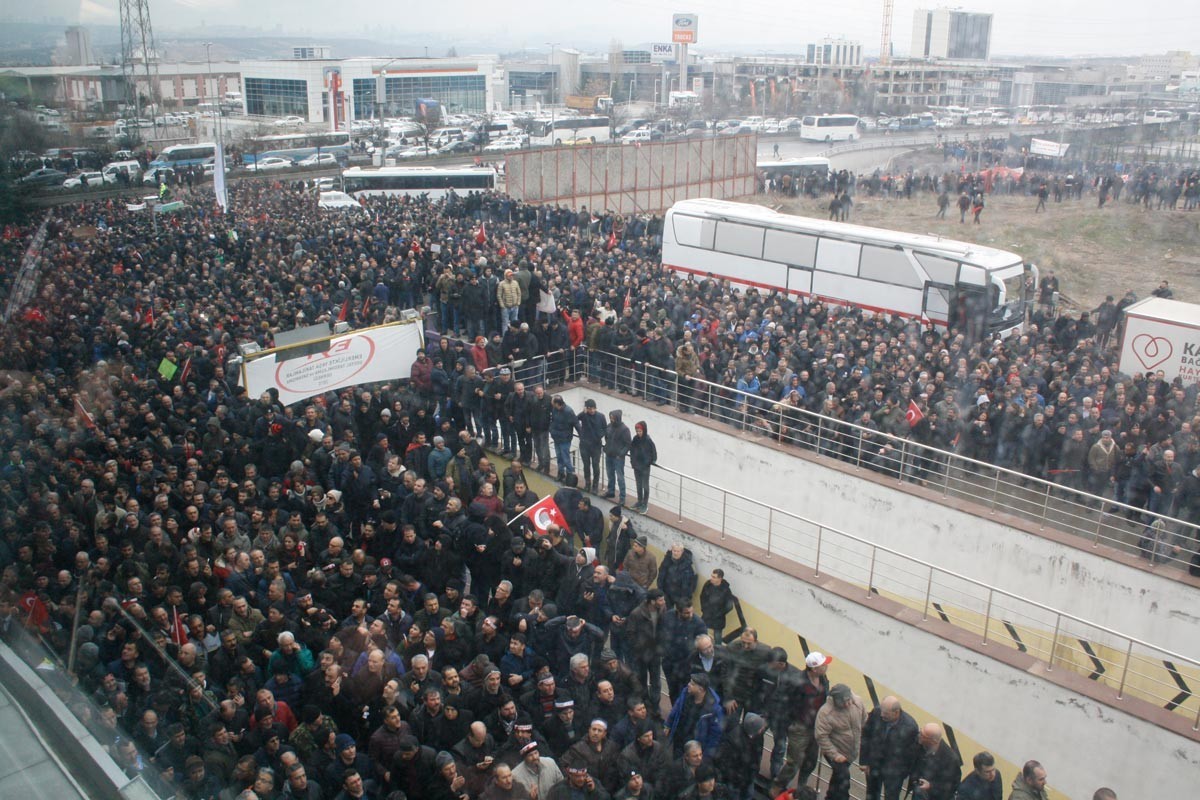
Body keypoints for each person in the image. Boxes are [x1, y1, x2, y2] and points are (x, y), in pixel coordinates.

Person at [860, 696, 920, 800]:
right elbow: (866, 735)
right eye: (882, 712)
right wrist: (864, 761)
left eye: (886, 714)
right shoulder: (877, 713)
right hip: (874, 766)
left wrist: (901, 774)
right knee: (871, 795)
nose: (882, 715)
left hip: (894, 773)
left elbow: (911, 755)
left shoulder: (910, 727)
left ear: (896, 712)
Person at [814, 684, 866, 800]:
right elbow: (821, 736)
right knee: (844, 778)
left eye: (849, 701)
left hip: (851, 752)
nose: (848, 704)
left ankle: (829, 797)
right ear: (836, 701)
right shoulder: (826, 713)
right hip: (835, 752)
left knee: (838, 778)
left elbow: (864, 721)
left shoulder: (857, 702)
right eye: (844, 702)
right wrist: (835, 755)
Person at [665, 672, 725, 758]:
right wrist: (668, 724)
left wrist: (706, 755)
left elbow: (715, 735)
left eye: (692, 684)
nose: (688, 685)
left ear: (700, 689)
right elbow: (676, 709)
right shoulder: (685, 693)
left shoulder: (714, 710)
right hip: (679, 739)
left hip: (695, 746)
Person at [909, 723, 961, 800]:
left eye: (923, 736)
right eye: (921, 732)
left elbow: (951, 786)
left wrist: (930, 786)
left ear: (933, 741)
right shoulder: (921, 744)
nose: (919, 736)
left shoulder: (951, 760)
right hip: (918, 790)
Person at [603, 410, 632, 507]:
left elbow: (628, 444)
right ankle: (611, 491)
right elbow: (606, 437)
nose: (611, 419)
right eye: (610, 417)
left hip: (618, 457)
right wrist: (607, 447)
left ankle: (622, 497)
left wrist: (621, 454)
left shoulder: (625, 429)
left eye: (613, 418)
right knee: (610, 474)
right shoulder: (609, 426)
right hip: (609, 454)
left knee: (620, 477)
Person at [698, 570, 734, 643]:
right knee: (701, 631)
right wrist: (704, 609)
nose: (711, 578)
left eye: (714, 577)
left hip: (718, 617)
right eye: (711, 576)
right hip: (707, 613)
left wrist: (719, 614)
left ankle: (718, 651)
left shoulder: (726, 589)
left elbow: (730, 606)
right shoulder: (708, 584)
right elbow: (702, 597)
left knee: (717, 636)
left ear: (720, 579)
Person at [628, 422, 657, 514]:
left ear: (644, 430)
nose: (638, 433)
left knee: (645, 486)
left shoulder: (648, 440)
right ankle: (639, 501)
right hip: (637, 466)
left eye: (640, 431)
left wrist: (649, 462)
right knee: (638, 485)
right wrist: (633, 462)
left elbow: (653, 453)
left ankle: (645, 504)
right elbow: (632, 450)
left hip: (645, 467)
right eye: (637, 431)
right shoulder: (635, 439)